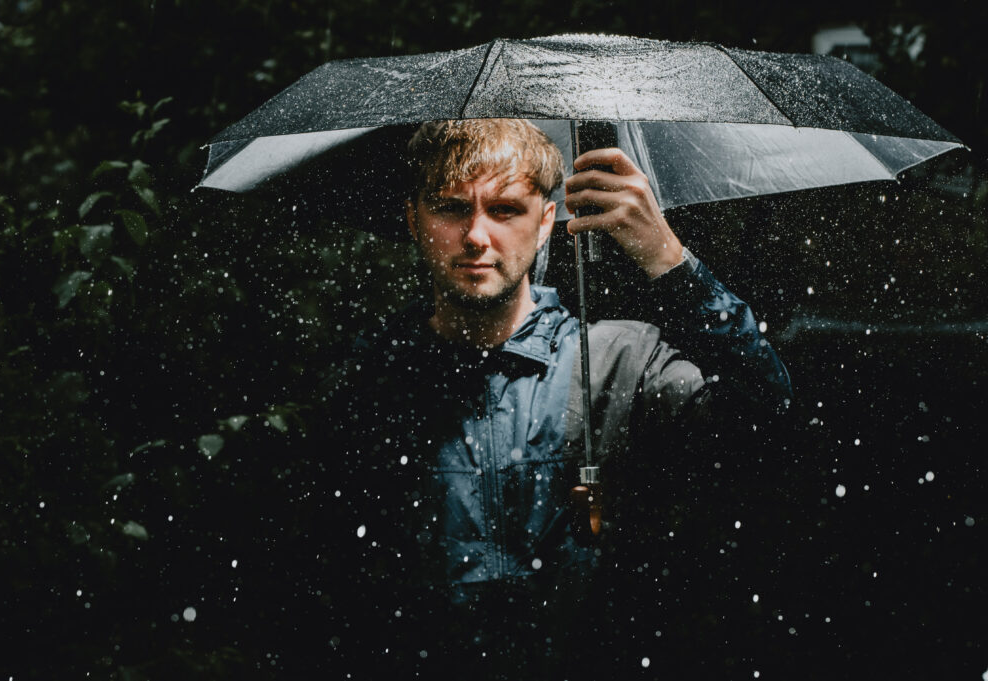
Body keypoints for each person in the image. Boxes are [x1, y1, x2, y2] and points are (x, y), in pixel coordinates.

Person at [307, 118, 792, 679]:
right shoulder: (371, 384)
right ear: (413, 220)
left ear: (546, 223)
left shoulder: (619, 363)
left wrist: (668, 260)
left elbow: (766, 421)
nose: (476, 236)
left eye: (505, 209)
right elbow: (331, 588)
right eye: (449, 207)